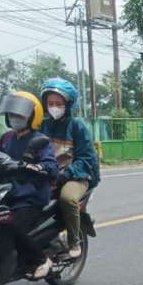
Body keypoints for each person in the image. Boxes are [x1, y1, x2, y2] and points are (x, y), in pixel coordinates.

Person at [0, 91, 59, 279]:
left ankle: (41, 259)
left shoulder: (39, 140)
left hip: (30, 195)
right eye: (12, 114)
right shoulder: (6, 138)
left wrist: (37, 166)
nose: (15, 118)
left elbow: (52, 166)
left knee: (15, 226)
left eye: (20, 115)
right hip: (8, 192)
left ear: (32, 116)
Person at [38, 78, 100, 259]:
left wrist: (65, 174)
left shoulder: (77, 126)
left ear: (68, 104)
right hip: (49, 173)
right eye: (50, 103)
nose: (54, 107)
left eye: (58, 103)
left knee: (67, 198)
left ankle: (74, 241)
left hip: (76, 175)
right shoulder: (43, 125)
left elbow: (87, 159)